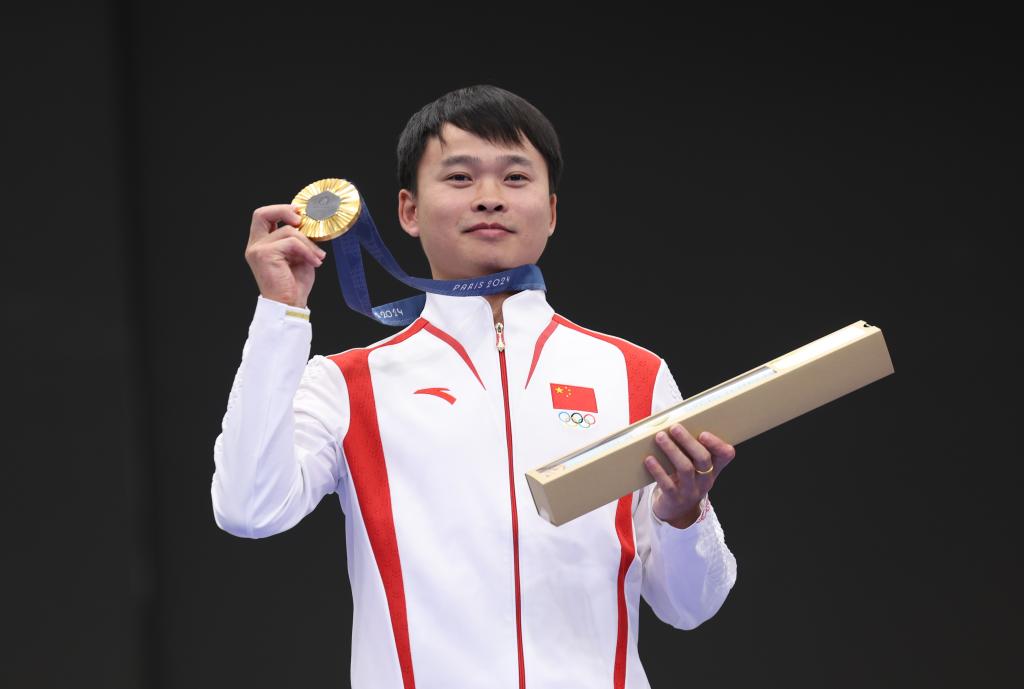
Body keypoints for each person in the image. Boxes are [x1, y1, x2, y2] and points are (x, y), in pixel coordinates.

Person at [211, 84, 737, 689]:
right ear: (409, 210)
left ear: (552, 211)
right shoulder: (350, 383)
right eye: (460, 178)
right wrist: (280, 313)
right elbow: (250, 508)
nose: (489, 197)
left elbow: (690, 606)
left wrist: (684, 513)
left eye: (515, 178)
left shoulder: (631, 374)